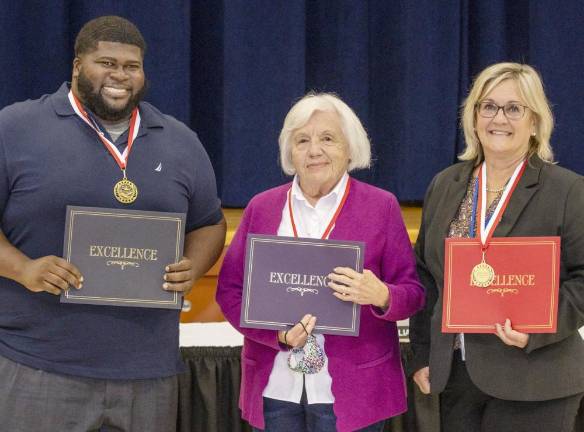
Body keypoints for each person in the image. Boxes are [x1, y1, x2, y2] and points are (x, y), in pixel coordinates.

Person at [0, 16, 226, 431]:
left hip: (148, 373)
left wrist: (193, 266)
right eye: (106, 62)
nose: (119, 75)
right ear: (76, 66)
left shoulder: (180, 140)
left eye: (131, 66)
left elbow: (209, 224)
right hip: (38, 364)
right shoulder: (14, 128)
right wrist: (24, 269)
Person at [216, 92, 425, 432]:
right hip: (275, 388)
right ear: (289, 151)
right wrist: (278, 336)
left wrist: (382, 295)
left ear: (350, 148)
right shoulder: (262, 208)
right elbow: (230, 292)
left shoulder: (381, 207)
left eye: (328, 138)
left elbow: (413, 293)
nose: (314, 150)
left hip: (354, 388)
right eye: (302, 140)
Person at [409, 62, 584, 432]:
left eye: (513, 108)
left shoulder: (568, 190)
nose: (498, 118)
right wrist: (423, 356)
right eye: (487, 106)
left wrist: (538, 329)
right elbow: (425, 274)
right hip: (457, 375)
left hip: (536, 380)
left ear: (535, 122)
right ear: (473, 118)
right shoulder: (445, 184)